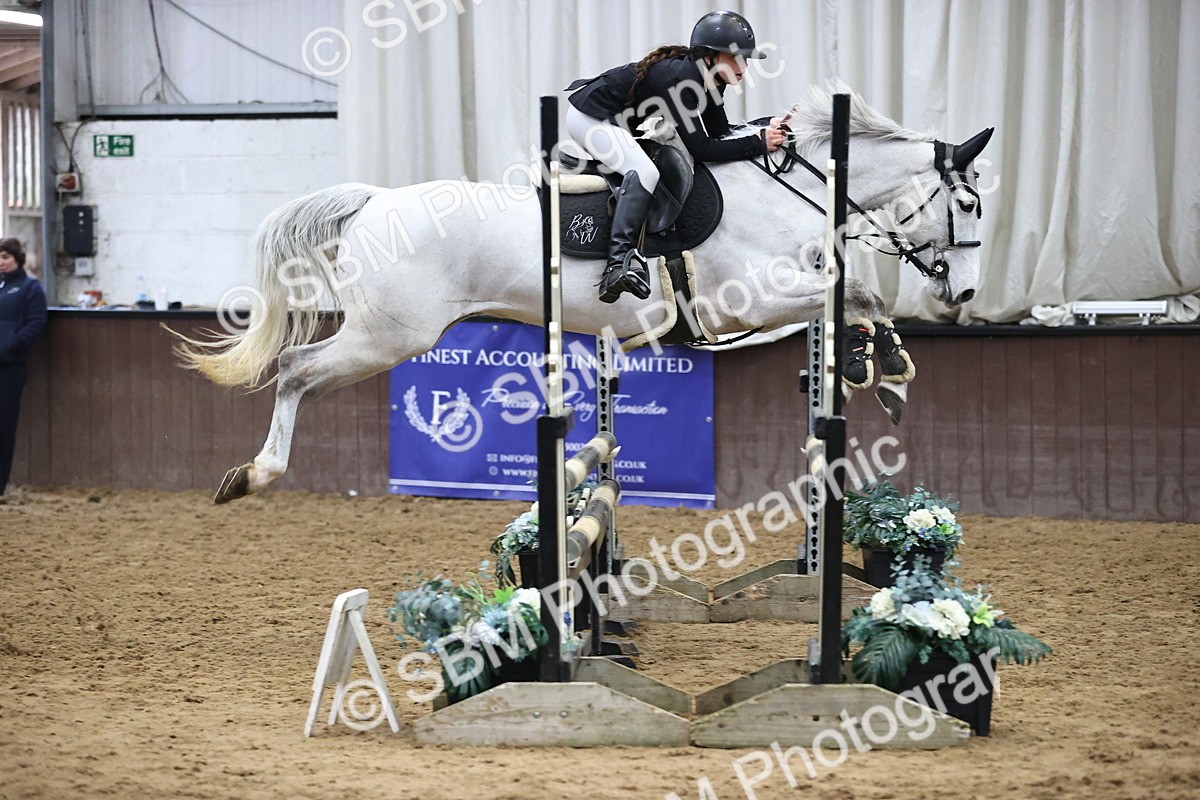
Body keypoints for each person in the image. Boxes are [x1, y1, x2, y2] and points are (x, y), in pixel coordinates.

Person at [565, 10, 789, 303]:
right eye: (737, 57)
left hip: (612, 121)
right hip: (590, 119)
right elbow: (702, 149)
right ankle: (617, 265)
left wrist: (766, 125)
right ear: (709, 56)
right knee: (645, 173)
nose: (744, 67)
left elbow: (721, 132)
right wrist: (759, 144)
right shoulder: (681, 81)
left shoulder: (709, 81)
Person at [0, 236, 47, 496]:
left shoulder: (31, 288)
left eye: (5, 257)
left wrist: (11, 346)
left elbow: (37, 323)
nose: (1, 262)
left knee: (4, 426)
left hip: (10, 366)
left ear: (17, 259)